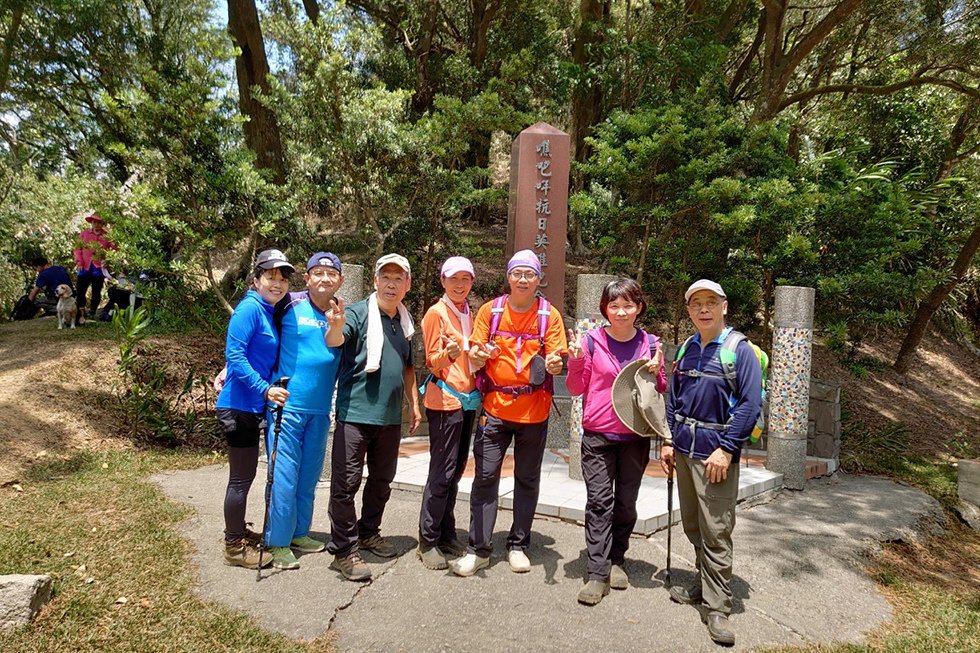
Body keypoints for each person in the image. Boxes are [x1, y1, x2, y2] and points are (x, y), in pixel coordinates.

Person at [450, 250, 567, 577]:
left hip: (534, 411)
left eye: (530, 273)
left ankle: (518, 544)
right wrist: (478, 353)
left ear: (538, 278)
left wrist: (557, 363)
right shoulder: (491, 310)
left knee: (527, 480)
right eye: (518, 273)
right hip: (495, 409)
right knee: (486, 478)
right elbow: (474, 355)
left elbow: (557, 355)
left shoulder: (549, 315)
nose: (523, 279)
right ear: (509, 276)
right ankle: (478, 549)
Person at [661, 279, 761, 646]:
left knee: (716, 530)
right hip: (685, 452)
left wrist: (727, 448)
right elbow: (673, 399)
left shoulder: (739, 350)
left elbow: (750, 404)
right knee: (693, 525)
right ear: (688, 310)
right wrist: (670, 439)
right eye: (696, 303)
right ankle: (703, 586)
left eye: (710, 302)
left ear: (724, 307)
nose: (703, 309)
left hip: (716, 456)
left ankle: (718, 606)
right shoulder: (688, 348)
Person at [565, 278, 666, 605]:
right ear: (604, 308)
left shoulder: (649, 343)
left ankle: (617, 558)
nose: (621, 312)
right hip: (598, 435)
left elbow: (659, 389)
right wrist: (577, 358)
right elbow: (576, 387)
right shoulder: (591, 341)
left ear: (639, 307)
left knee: (625, 502)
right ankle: (597, 572)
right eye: (614, 305)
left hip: (635, 436)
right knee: (599, 501)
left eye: (628, 305)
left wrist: (658, 369)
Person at [328, 253, 422, 581]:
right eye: (386, 277)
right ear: (375, 281)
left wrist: (415, 402)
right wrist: (335, 327)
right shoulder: (356, 313)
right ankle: (344, 549)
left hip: (389, 418)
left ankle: (368, 532)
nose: (391, 284)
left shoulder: (403, 323)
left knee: (381, 481)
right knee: (346, 484)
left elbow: (408, 366)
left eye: (399, 278)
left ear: (407, 285)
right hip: (355, 414)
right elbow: (336, 339)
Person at [262, 252, 346, 570]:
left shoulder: (342, 312)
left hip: (320, 410)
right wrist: (232, 365)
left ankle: (298, 533)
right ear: (307, 278)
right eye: (318, 272)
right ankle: (277, 541)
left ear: (340, 280)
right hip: (287, 407)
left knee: (309, 476)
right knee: (284, 476)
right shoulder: (288, 303)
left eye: (331, 273)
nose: (325, 278)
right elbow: (258, 330)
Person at [215, 249, 294, 569]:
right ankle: (233, 547)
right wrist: (265, 389)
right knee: (240, 479)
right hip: (238, 406)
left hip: (249, 406)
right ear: (256, 279)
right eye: (270, 276)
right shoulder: (249, 309)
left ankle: (236, 533)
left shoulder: (267, 310)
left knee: (244, 476)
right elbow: (235, 355)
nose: (277, 283)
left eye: (282, 278)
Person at [416, 256, 480, 570]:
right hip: (444, 401)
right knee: (441, 472)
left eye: (465, 278)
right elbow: (431, 362)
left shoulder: (470, 312)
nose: (459, 284)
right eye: (454, 278)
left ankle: (445, 532)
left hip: (468, 400)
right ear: (442, 281)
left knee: (455, 471)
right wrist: (448, 354)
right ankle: (427, 539)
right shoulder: (436, 313)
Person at [73, 213, 115, 320]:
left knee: (96, 291)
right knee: (80, 290)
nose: (96, 224)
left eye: (99, 222)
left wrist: (108, 261)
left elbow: (114, 250)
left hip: (98, 267)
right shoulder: (84, 234)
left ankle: (92, 311)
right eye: (94, 222)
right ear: (91, 223)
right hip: (84, 266)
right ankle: (81, 310)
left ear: (103, 224)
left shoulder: (107, 236)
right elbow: (77, 249)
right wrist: (79, 261)